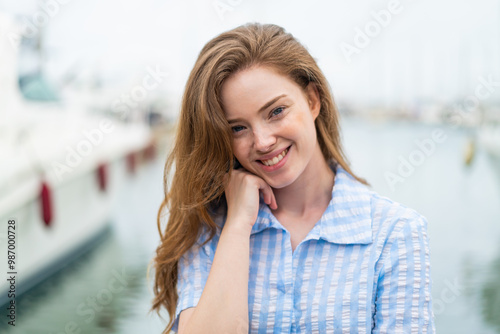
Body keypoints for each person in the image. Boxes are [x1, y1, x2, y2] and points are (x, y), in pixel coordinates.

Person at [150, 23, 435, 333]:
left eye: (276, 111)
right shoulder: (210, 231)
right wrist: (237, 225)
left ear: (313, 100)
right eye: (237, 128)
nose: (262, 141)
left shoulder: (395, 234)